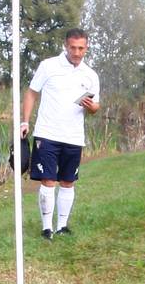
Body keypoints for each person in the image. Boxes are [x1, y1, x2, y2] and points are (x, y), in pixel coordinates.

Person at [20, 28, 101, 238]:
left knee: (68, 181)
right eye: (73, 47)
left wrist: (91, 107)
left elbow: (95, 108)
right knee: (48, 180)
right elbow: (31, 93)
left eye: (81, 48)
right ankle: (47, 227)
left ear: (86, 48)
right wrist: (24, 121)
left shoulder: (91, 75)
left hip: (74, 137)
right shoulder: (48, 66)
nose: (76, 52)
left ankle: (62, 227)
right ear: (66, 46)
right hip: (47, 133)